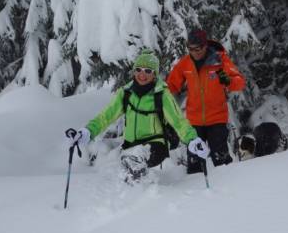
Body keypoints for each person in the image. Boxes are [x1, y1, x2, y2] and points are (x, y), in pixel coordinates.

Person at [67, 49, 210, 184]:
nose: (142, 74)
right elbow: (106, 116)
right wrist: (88, 131)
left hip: (155, 146)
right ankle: (136, 198)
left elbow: (179, 122)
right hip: (130, 147)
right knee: (130, 168)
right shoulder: (126, 93)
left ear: (154, 74)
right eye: (138, 70)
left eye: (148, 70)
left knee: (135, 161)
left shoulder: (162, 95)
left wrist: (192, 140)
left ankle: (144, 193)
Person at [166, 28, 245, 174]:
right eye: (190, 49)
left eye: (198, 48)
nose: (195, 52)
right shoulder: (185, 63)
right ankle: (197, 195)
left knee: (222, 162)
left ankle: (230, 190)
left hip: (217, 119)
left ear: (205, 45)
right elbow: (170, 85)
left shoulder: (219, 60)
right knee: (194, 164)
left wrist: (228, 81)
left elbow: (239, 82)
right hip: (194, 121)